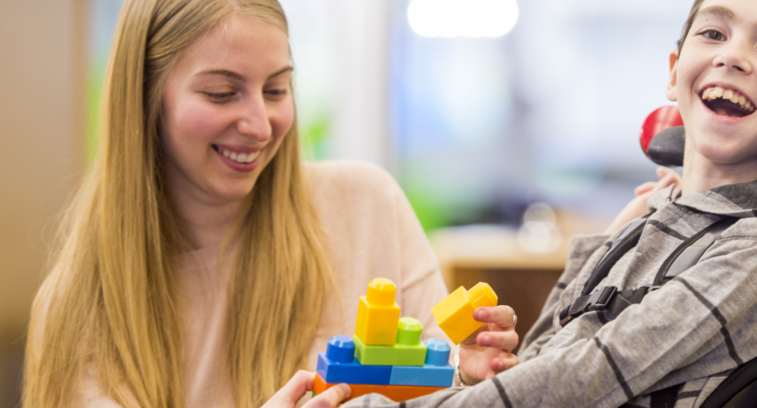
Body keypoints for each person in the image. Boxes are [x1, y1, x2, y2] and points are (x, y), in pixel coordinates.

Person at [285, 0, 757, 406]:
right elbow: (543, 357)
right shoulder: (661, 216)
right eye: (713, 34)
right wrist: (602, 248)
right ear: (675, 73)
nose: (733, 56)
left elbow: (582, 382)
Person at [21, 1, 517, 407]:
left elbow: (437, 383)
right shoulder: (78, 311)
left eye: (276, 89)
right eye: (221, 93)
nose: (260, 125)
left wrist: (472, 381)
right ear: (147, 98)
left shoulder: (368, 206)